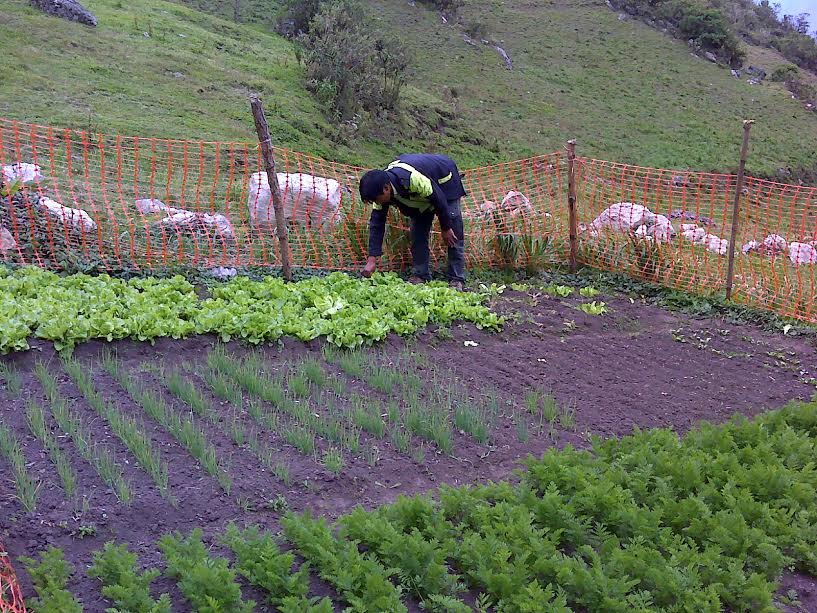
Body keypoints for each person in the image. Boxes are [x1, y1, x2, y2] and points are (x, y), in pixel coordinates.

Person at [358, 154, 467, 290]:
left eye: (376, 199)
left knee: (453, 234)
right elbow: (377, 224)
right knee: (417, 235)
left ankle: (457, 278)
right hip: (421, 198)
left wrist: (446, 227)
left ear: (386, 188)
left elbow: (438, 198)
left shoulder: (411, 178)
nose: (376, 203)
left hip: (444, 182)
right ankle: (421, 275)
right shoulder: (380, 191)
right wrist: (372, 259)